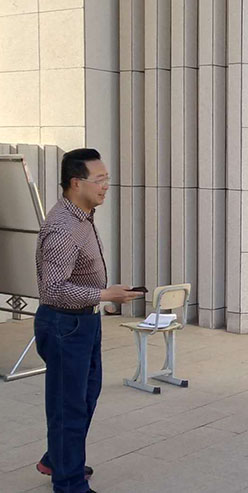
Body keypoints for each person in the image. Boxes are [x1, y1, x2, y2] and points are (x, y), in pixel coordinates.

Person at [34, 148, 142, 493]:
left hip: (83, 322)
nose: (106, 186)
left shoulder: (83, 216)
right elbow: (52, 290)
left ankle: (58, 459)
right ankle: (69, 483)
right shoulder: (64, 227)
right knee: (69, 406)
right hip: (65, 325)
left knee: (84, 398)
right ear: (76, 183)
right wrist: (105, 294)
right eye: (100, 180)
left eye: (107, 179)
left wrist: (102, 296)